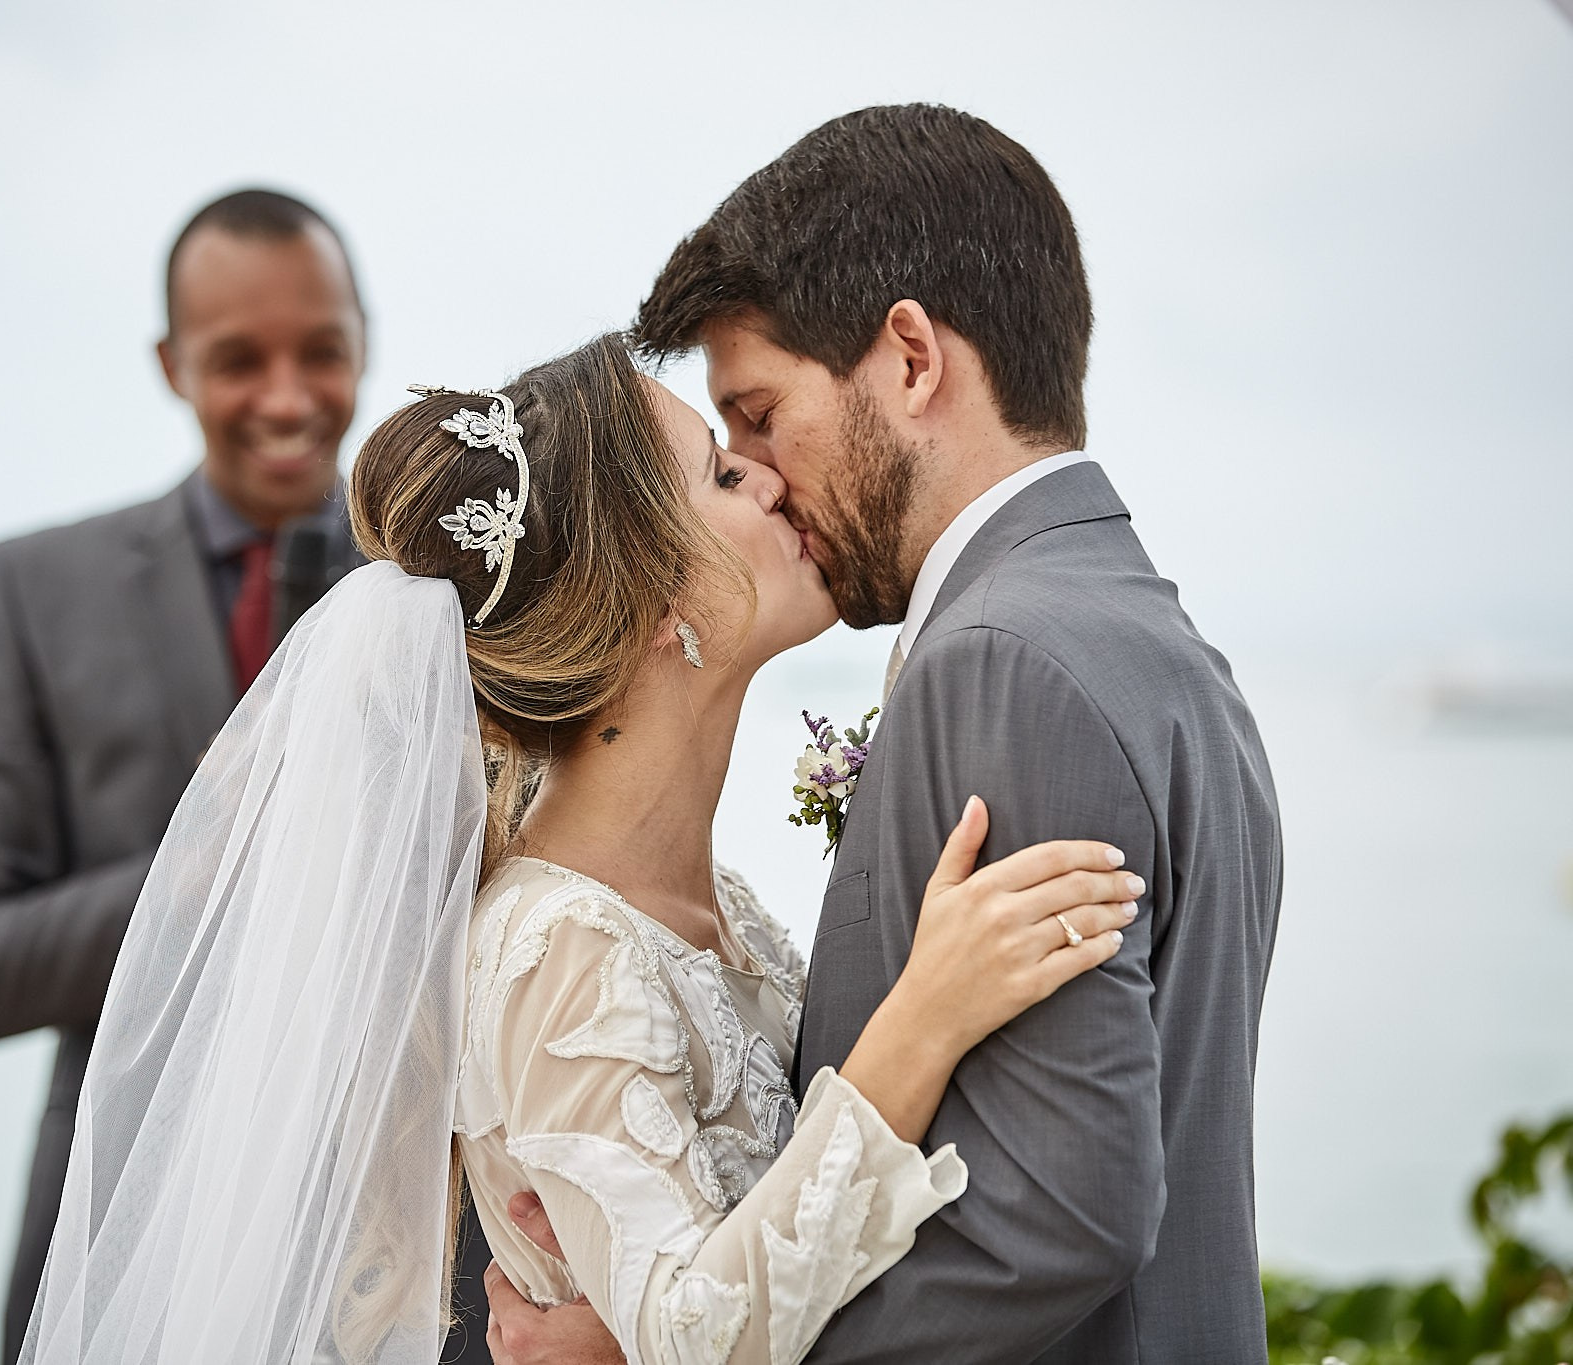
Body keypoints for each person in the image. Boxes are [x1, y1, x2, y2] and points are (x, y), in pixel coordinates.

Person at [12, 334, 1142, 1365]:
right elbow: (696, 1329)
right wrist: (923, 1020)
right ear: (657, 599)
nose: (766, 474)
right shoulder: (559, 946)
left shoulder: (716, 910)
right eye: (717, 472)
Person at [487, 105, 1284, 1364]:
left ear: (909, 358)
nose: (759, 475)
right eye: (722, 455)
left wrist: (653, 1355)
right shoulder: (1146, 635)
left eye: (755, 414)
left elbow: (1052, 1219)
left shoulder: (1002, 663)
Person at [0, 188, 371, 1365]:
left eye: (320, 352)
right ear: (171, 366)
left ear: (362, 342)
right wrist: (207, 863)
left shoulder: (442, 588)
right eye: (237, 360)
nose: (286, 397)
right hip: (110, 1258)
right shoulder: (34, 592)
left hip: (380, 1257)